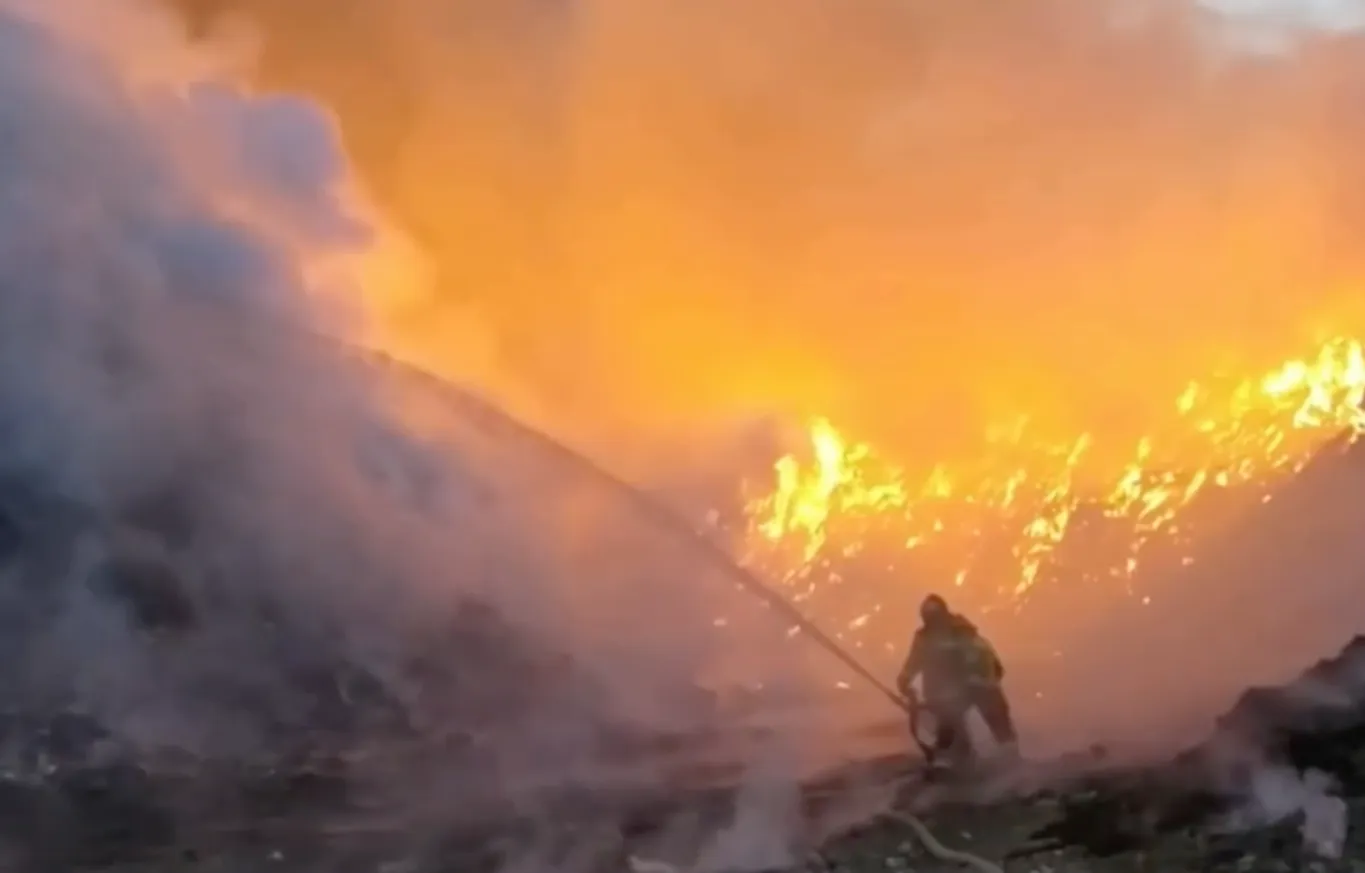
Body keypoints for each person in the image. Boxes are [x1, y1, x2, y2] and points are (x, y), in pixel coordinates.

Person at [895, 593, 1017, 769]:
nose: (933, 621)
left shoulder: (963, 634)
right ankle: (961, 756)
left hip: (979, 687)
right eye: (929, 617)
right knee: (951, 722)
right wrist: (904, 680)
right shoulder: (930, 638)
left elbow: (992, 666)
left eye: (935, 616)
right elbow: (914, 661)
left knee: (996, 725)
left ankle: (1008, 758)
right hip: (959, 691)